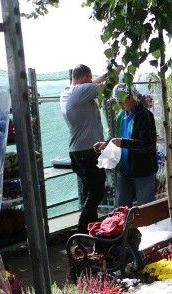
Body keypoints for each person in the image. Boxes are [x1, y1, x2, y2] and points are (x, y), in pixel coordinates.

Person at [60, 64, 111, 234]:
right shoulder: (80, 92)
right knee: (97, 191)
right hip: (88, 151)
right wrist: (115, 74)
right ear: (83, 79)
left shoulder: (68, 92)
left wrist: (106, 73)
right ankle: (82, 232)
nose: (91, 82)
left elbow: (93, 84)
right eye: (89, 79)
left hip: (77, 151)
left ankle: (91, 227)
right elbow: (106, 88)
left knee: (90, 191)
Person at [93, 83, 159, 207]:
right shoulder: (120, 116)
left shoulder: (144, 116)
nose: (121, 105)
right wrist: (106, 144)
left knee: (146, 208)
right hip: (124, 170)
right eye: (119, 103)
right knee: (121, 209)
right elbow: (116, 138)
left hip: (142, 172)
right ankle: (128, 227)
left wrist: (123, 142)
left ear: (130, 97)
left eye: (122, 102)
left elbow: (147, 145)